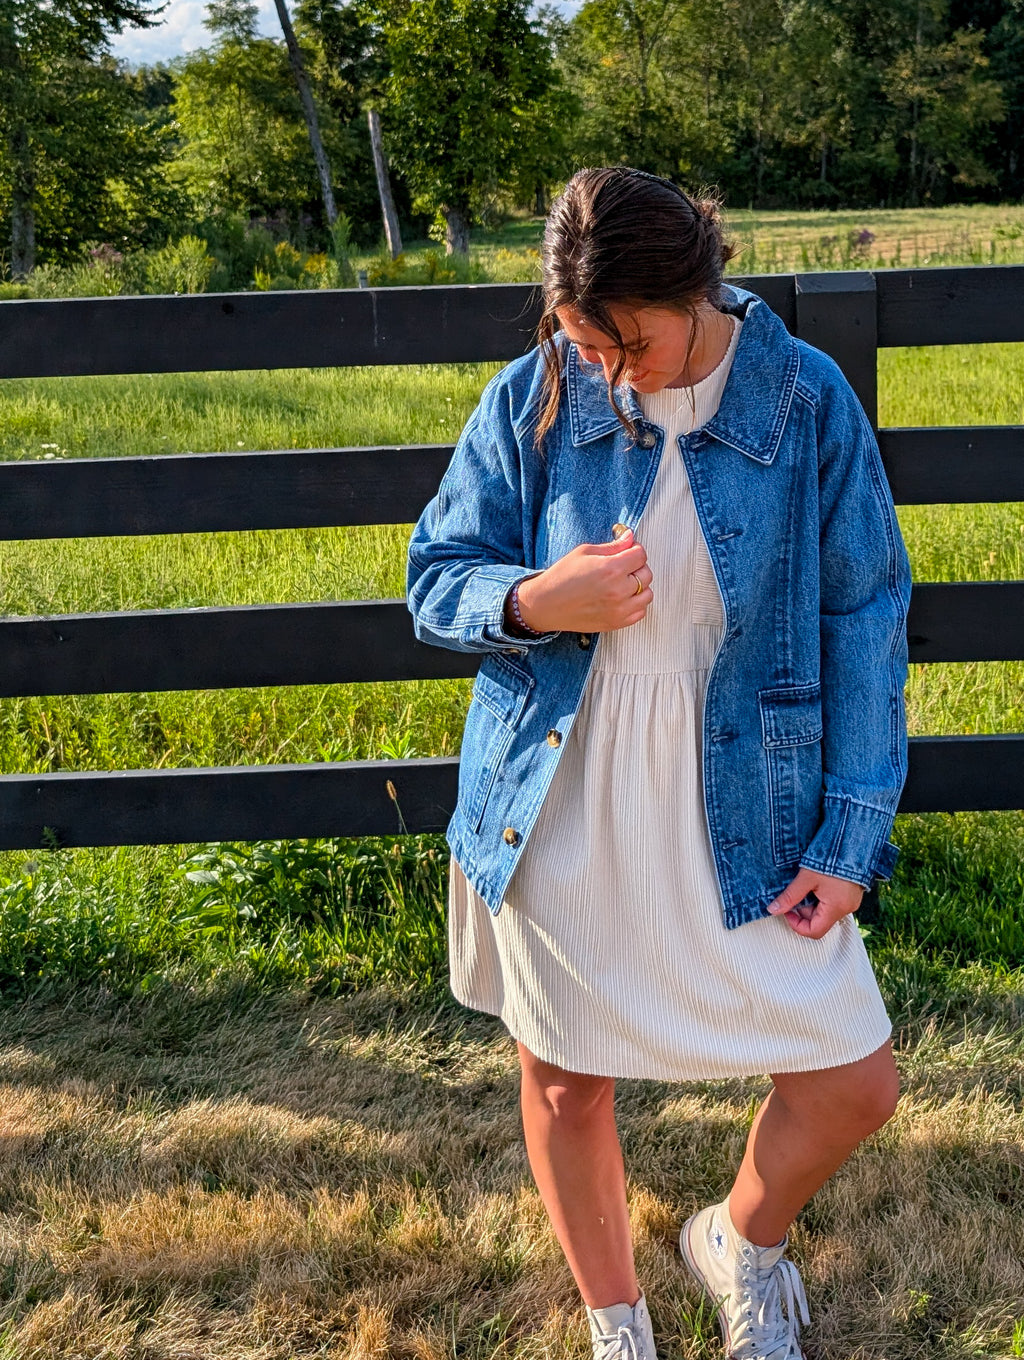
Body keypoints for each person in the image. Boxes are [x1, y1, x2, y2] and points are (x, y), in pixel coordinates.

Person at [406, 167, 911, 1360]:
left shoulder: (804, 399)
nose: (610, 372)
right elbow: (436, 574)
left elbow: (868, 611)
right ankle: (616, 1324)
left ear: (697, 284)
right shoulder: (535, 393)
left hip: (755, 788)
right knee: (569, 1080)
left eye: (630, 340)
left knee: (853, 1079)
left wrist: (850, 834)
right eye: (586, 344)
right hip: (563, 785)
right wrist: (537, 597)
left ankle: (740, 1239)